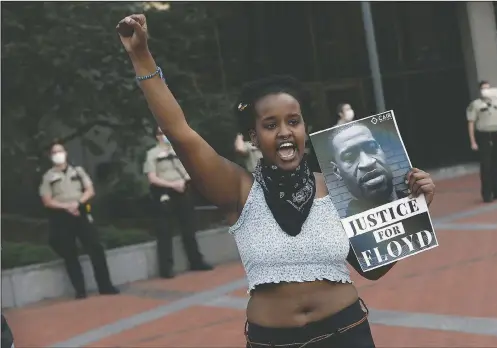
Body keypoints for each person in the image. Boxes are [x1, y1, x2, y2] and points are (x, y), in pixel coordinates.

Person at [116, 14, 436, 347]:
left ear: (305, 129)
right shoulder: (238, 190)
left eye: (293, 121)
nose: (284, 131)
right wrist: (141, 57)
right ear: (254, 136)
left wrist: (412, 209)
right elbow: (180, 134)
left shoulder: (339, 183)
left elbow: (371, 270)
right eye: (271, 125)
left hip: (347, 334)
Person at [39, 142, 119, 299]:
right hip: (61, 216)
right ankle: (80, 290)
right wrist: (66, 206)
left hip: (80, 211)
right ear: (50, 156)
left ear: (66, 153)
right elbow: (47, 200)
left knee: (95, 247)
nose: (58, 154)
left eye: (60, 151)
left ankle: (105, 285)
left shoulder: (78, 171)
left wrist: (78, 203)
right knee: (70, 253)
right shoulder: (48, 177)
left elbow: (90, 190)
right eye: (55, 152)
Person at [144, 127, 213, 278]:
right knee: (164, 231)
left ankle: (196, 261)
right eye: (162, 133)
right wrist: (172, 185)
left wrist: (183, 181)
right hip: (164, 192)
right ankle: (166, 268)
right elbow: (152, 177)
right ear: (157, 136)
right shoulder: (152, 154)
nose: (166, 136)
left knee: (189, 227)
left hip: (183, 189)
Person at [329, 123, 408, 217]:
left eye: (372, 148)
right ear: (337, 172)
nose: (367, 163)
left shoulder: (418, 199)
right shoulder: (341, 229)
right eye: (350, 157)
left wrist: (425, 200)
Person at [467, 80, 497, 203]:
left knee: (496, 164)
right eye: (484, 89)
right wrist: (473, 142)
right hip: (484, 136)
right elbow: (471, 123)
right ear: (480, 91)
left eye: (488, 88)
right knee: (486, 166)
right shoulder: (475, 105)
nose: (487, 91)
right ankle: (487, 194)